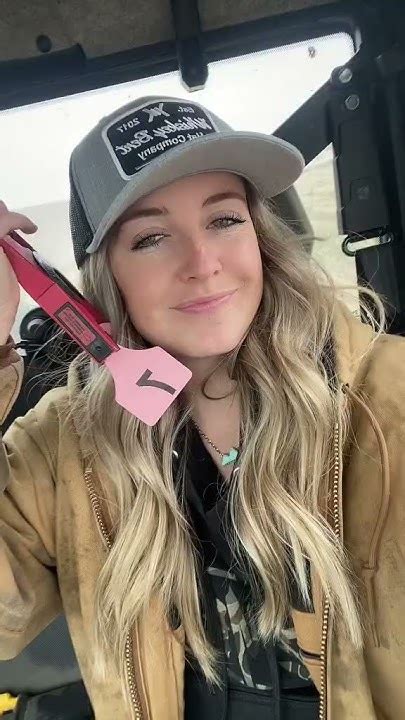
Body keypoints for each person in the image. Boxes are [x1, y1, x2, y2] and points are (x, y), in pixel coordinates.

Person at [0, 95, 403, 720]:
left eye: (225, 219)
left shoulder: (388, 397)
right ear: (103, 277)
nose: (204, 263)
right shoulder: (61, 447)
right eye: (152, 237)